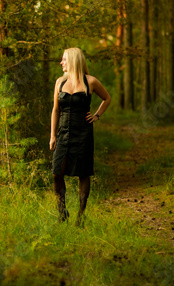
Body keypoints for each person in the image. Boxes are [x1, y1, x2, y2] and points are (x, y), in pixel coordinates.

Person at [49, 48, 111, 226]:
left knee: (83, 173)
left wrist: (97, 116)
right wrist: (53, 135)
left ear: (73, 61)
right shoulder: (59, 82)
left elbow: (107, 98)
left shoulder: (90, 81)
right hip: (63, 133)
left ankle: (81, 216)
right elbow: (55, 110)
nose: (61, 63)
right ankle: (62, 212)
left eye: (64, 60)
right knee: (56, 173)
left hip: (83, 133)